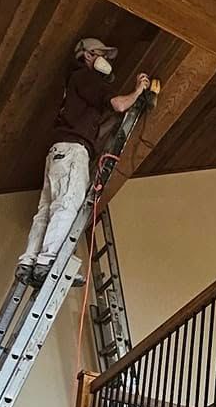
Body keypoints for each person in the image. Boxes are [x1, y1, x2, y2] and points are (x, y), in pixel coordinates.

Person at [20, 37, 156, 277]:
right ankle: (50, 262)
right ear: (87, 55)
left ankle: (29, 261)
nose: (104, 59)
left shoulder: (76, 87)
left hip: (58, 152)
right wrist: (138, 90)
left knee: (47, 208)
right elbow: (118, 105)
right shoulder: (87, 77)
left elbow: (102, 122)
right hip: (72, 151)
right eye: (100, 53)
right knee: (68, 204)